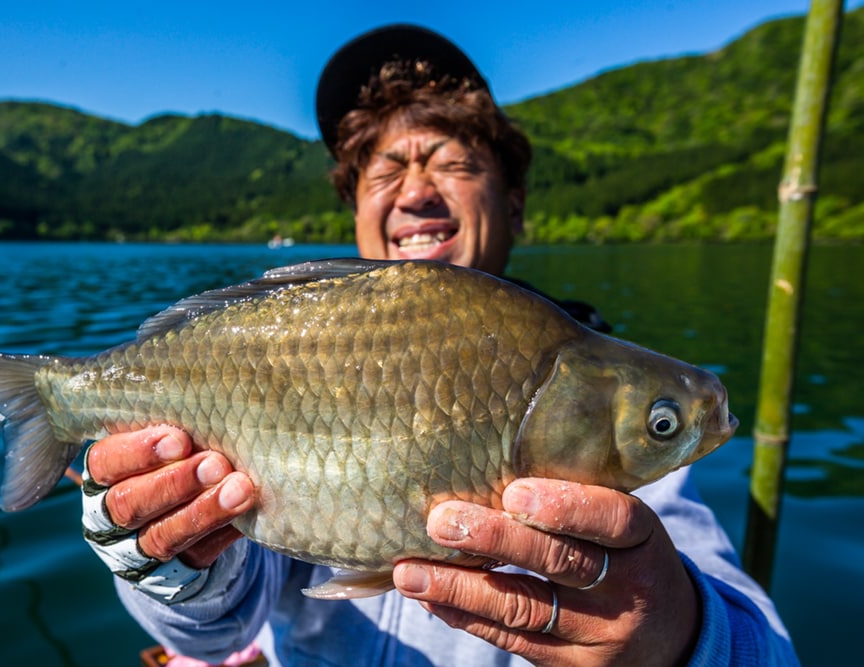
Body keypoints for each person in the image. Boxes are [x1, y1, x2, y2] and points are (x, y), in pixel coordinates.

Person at [80, 25, 799, 666]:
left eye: (453, 163)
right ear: (356, 209)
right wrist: (163, 559)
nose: (416, 191)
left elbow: (765, 652)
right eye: (385, 170)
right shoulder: (290, 351)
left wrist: (674, 634)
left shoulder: (606, 433)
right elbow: (213, 631)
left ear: (512, 204)